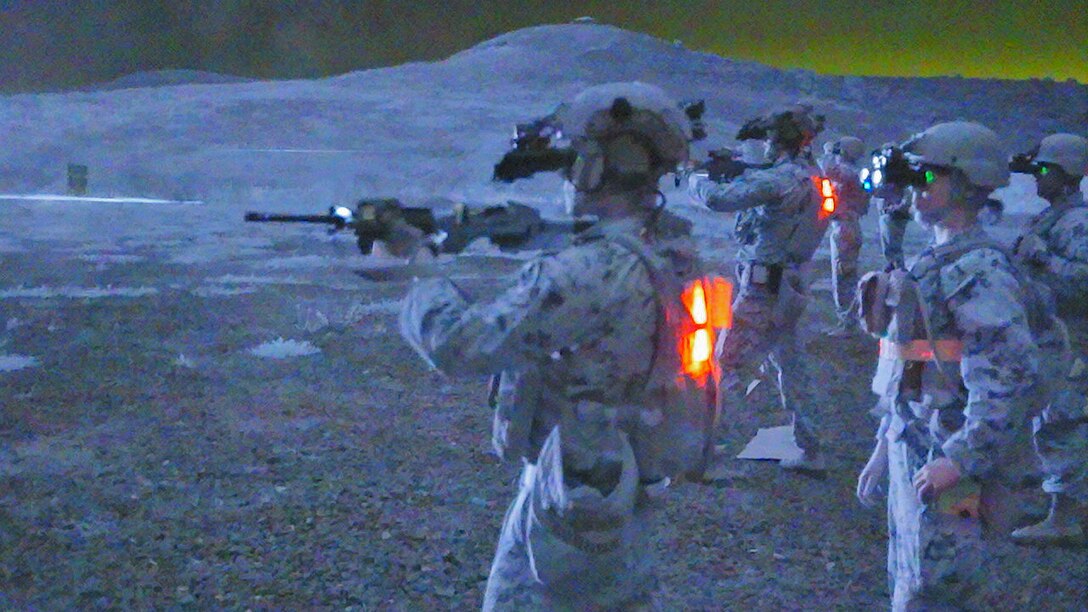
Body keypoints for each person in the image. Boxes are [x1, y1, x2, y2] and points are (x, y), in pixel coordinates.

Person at [400, 82, 720, 609]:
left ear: (600, 165)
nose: (568, 175)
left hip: (572, 497)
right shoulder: (666, 246)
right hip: (619, 479)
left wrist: (420, 273)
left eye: (574, 161)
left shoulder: (590, 270)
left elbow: (462, 346)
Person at [854, 121, 1040, 609]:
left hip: (951, 447)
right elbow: (907, 364)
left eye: (929, 178)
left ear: (965, 184)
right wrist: (884, 443)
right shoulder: (936, 259)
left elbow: (1009, 378)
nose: (918, 189)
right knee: (911, 572)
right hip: (916, 437)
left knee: (945, 582)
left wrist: (962, 458)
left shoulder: (980, 270)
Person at [688, 104, 830, 473]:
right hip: (789, 287)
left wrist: (696, 176)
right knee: (792, 366)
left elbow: (719, 199)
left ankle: (703, 454)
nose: (765, 145)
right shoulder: (812, 175)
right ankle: (811, 449)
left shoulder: (781, 179)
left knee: (724, 367)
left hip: (764, 291)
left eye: (769, 138)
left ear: (779, 141)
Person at [1010, 132, 1088, 545]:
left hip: (1071, 339)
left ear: (1067, 174)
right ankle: (1058, 503)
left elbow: (1084, 282)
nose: (1037, 179)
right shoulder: (1055, 216)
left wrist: (1044, 258)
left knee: (1063, 424)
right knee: (1048, 419)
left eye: (1044, 170)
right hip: (1050, 335)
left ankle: (1065, 519)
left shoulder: (1077, 223)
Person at [821, 136, 869, 334]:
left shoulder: (847, 173)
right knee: (846, 275)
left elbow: (825, 170)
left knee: (843, 278)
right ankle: (849, 320)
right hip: (848, 226)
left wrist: (828, 152)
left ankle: (848, 323)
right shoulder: (857, 174)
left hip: (844, 228)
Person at [871, 143, 914, 270]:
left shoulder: (903, 174)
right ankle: (893, 266)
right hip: (888, 212)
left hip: (895, 214)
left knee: (893, 245)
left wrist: (898, 207)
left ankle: (897, 268)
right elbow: (879, 192)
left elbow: (908, 194)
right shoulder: (887, 173)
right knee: (889, 244)